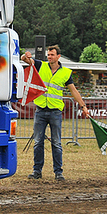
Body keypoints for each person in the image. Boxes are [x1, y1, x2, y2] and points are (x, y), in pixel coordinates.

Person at [21, 45, 90, 181]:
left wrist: (83, 106)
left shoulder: (65, 73)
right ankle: (37, 171)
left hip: (55, 112)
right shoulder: (41, 65)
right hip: (40, 110)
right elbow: (25, 60)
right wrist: (25, 56)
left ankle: (58, 172)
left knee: (56, 143)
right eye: (48, 54)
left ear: (58, 56)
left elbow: (73, 91)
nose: (49, 57)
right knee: (38, 142)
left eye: (52, 54)